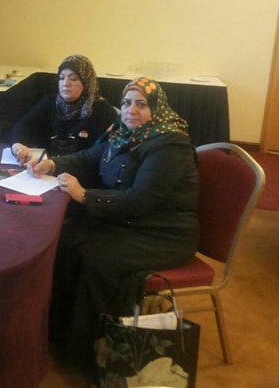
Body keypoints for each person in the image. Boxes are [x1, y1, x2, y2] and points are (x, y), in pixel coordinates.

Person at [28, 77, 199, 371]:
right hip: (128, 221)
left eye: (141, 104)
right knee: (64, 241)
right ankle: (58, 334)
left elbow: (139, 200)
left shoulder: (170, 144)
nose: (131, 110)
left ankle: (90, 353)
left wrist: (84, 196)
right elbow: (88, 157)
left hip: (163, 233)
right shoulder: (122, 133)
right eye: (126, 103)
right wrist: (53, 163)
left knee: (94, 259)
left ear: (157, 108)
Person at [11, 54, 117, 163]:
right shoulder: (50, 102)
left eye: (73, 79)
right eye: (61, 78)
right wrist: (18, 145)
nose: (65, 83)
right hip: (45, 167)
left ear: (87, 84)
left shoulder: (104, 112)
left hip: (81, 169)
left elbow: (102, 152)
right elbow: (24, 126)